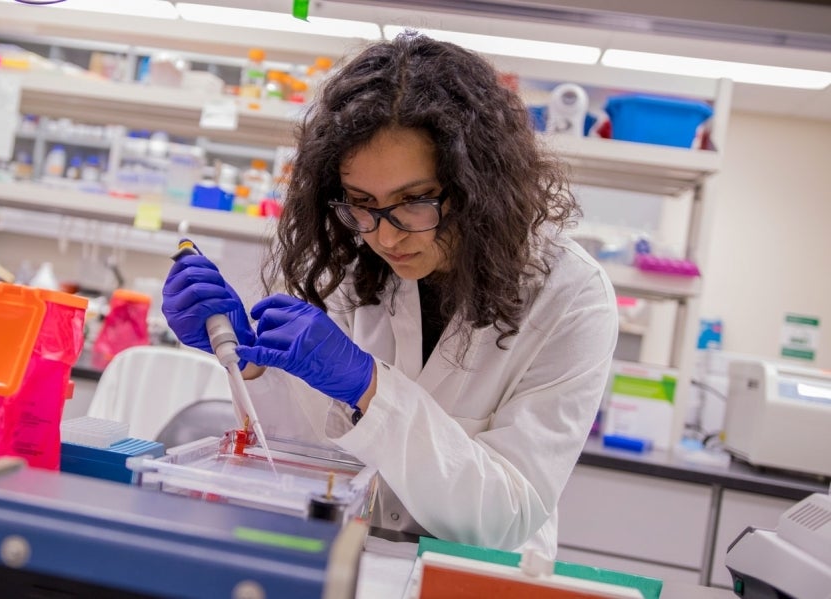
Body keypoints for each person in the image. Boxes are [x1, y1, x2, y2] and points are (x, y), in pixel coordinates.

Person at [161, 31, 617, 557]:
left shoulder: (570, 296)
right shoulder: (336, 264)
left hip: (469, 580)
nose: (384, 235)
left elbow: (505, 517)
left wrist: (370, 387)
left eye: (414, 201)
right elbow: (294, 460)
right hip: (345, 563)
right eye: (361, 202)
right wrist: (250, 369)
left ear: (480, 187)